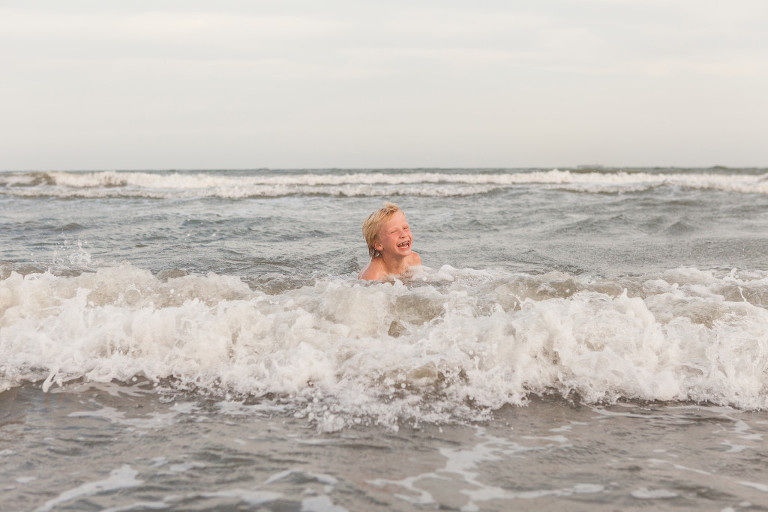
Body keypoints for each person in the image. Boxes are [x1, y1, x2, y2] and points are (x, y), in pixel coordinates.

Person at [359, 202, 422, 281]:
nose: (403, 234)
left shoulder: (414, 259)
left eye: (405, 228)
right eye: (394, 231)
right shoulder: (373, 276)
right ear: (378, 244)